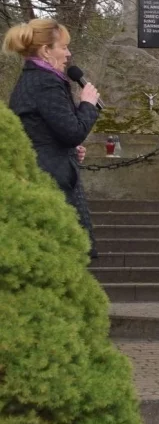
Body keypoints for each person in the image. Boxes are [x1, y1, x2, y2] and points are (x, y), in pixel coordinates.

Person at [5, 19, 101, 258]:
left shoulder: (35, 79)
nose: (68, 54)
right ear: (46, 50)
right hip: (51, 179)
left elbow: (42, 131)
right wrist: (88, 105)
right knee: (68, 254)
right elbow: (72, 132)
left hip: (47, 170)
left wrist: (68, 150)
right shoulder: (45, 82)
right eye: (64, 47)